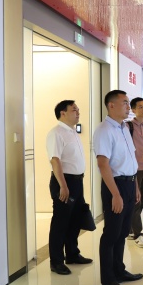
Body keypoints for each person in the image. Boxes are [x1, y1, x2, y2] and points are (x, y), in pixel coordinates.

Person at [94, 90, 143, 285]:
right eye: (125, 103)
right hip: (116, 186)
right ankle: (108, 280)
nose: (128, 107)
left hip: (129, 184)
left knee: (123, 232)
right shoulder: (104, 130)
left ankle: (119, 270)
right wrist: (115, 194)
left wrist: (136, 187)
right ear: (111, 105)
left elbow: (130, 160)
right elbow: (103, 164)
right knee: (111, 234)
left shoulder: (124, 128)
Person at [46, 100, 93, 275]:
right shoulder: (56, 133)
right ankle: (56, 261)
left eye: (78, 109)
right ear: (63, 113)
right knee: (61, 222)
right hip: (64, 182)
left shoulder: (72, 132)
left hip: (76, 182)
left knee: (75, 220)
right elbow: (55, 160)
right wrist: (63, 186)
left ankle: (72, 254)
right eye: (74, 110)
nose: (78, 112)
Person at [127, 97, 143, 248]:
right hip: (133, 170)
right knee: (135, 202)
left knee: (141, 201)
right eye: (140, 107)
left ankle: (132, 230)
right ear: (133, 110)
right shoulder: (128, 126)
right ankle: (138, 234)